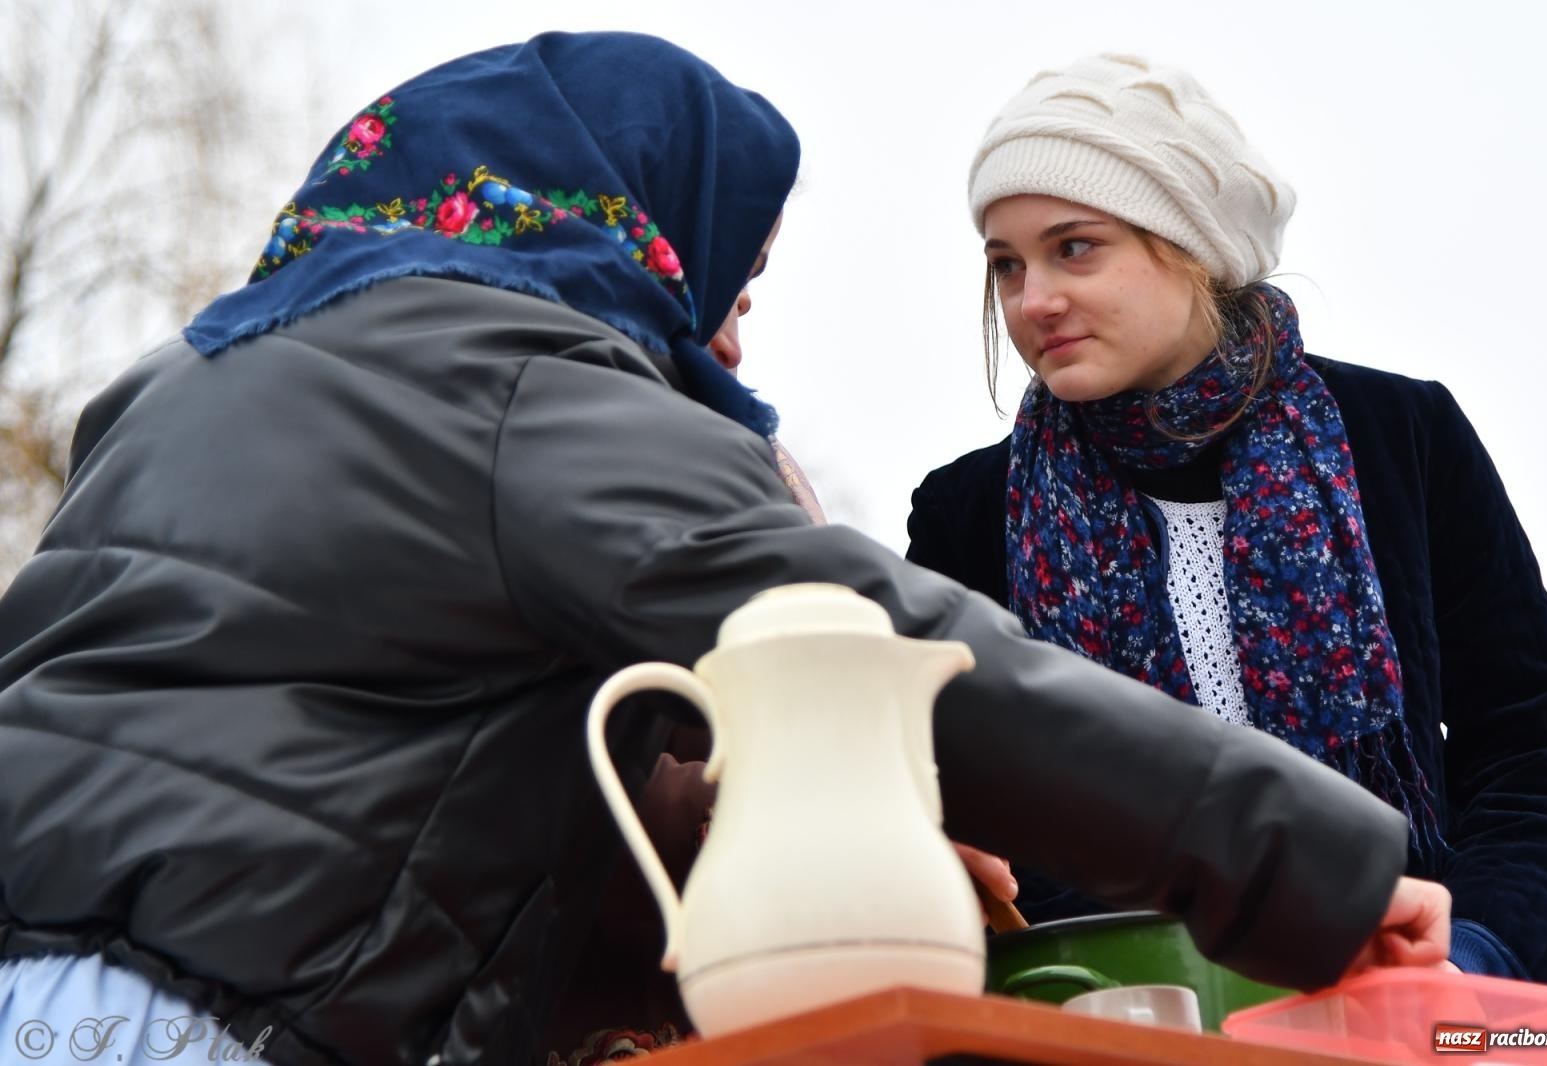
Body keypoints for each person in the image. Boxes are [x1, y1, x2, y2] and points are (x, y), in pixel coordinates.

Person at [0, 33, 1447, 1066]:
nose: (735, 341)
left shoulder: (173, 385)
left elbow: (380, 742)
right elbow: (865, 635)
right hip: (191, 1022)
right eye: (727, 286)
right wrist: (1307, 859)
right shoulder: (521, 382)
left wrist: (801, 809)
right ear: (632, 228)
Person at [906, 53, 1547, 986]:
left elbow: (1537, 745)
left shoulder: (1400, 438)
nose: (1035, 302)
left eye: (1075, 246)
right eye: (1006, 266)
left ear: (1190, 244)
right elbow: (972, 818)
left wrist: (1478, 961)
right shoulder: (967, 516)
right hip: (1119, 1024)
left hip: (1409, 1004)